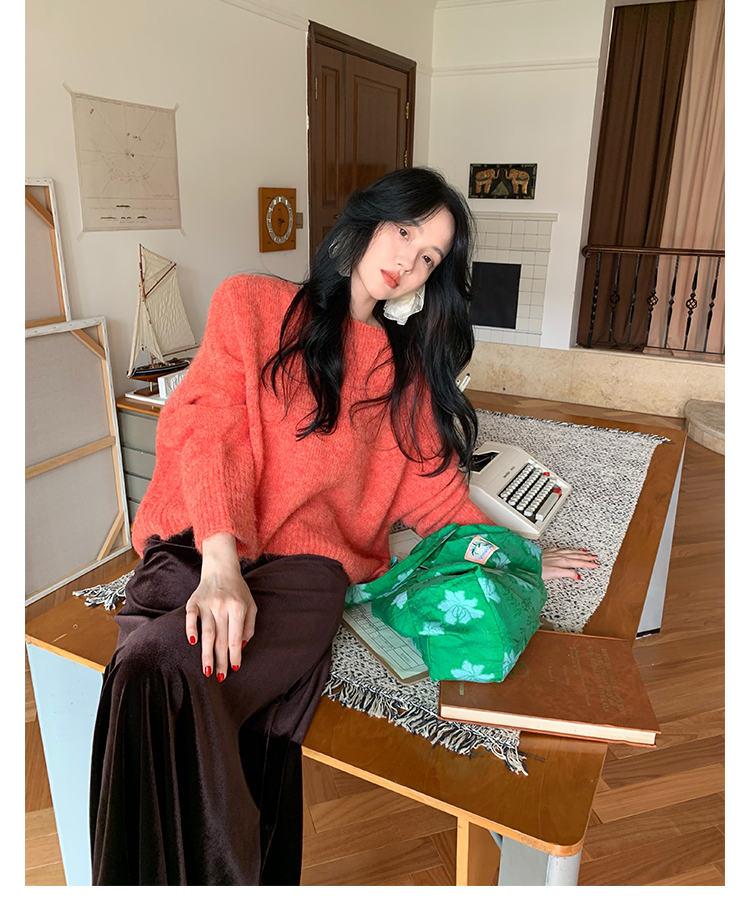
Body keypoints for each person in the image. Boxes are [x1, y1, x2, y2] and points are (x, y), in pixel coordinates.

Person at [89, 167, 597, 886]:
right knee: (152, 673)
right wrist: (222, 565)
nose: (409, 260)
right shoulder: (251, 303)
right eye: (406, 231)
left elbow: (435, 495)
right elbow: (209, 430)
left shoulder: (403, 373)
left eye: (430, 257)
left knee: (157, 666)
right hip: (202, 546)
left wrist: (520, 555)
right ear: (369, 219)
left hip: (305, 576)